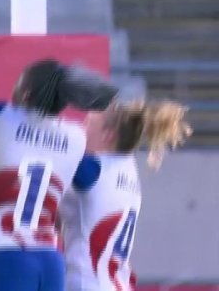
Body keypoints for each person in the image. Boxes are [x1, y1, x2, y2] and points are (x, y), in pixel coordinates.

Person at [0, 60, 119, 291]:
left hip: (2, 256)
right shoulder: (74, 137)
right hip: (49, 261)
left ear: (26, 94)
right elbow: (90, 177)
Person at [59, 100, 191, 291]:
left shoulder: (92, 169)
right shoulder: (129, 169)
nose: (80, 128)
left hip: (87, 283)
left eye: (87, 124)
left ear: (108, 136)